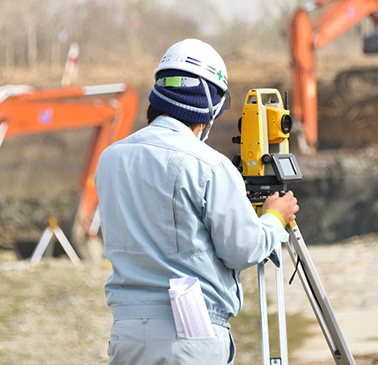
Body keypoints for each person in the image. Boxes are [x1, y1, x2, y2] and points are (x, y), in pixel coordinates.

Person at [95, 38, 299, 364]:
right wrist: (274, 218)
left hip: (127, 332)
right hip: (191, 332)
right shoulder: (209, 166)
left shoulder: (110, 159)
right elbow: (242, 249)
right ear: (211, 108)